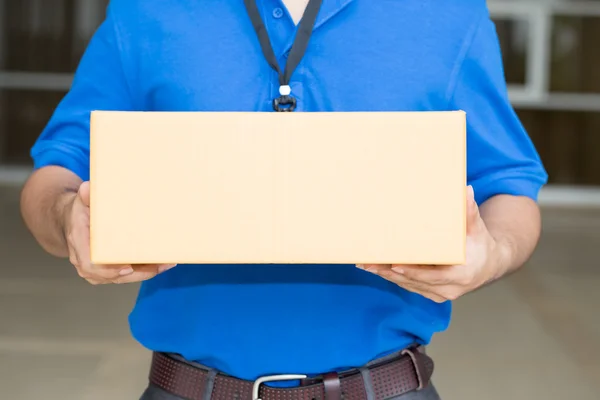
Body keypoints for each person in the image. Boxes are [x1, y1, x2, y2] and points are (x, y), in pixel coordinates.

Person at [20, 0, 548, 399]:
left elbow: (508, 182)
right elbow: (56, 175)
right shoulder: (145, 9)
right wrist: (69, 215)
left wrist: (493, 253)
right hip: (184, 387)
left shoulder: (449, 13)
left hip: (387, 387)